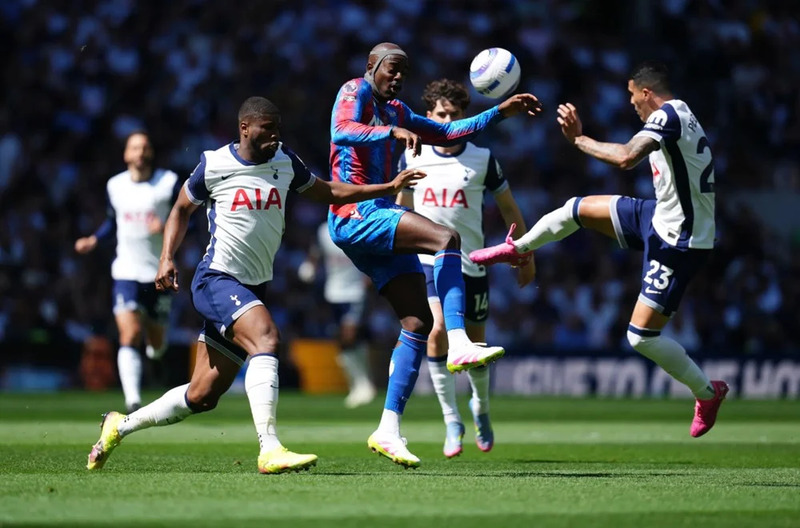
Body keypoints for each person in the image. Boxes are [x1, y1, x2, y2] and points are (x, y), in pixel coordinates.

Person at [86, 96, 425, 474]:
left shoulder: (285, 161)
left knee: (202, 394)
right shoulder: (214, 164)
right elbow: (181, 208)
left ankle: (120, 425)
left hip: (252, 287)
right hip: (217, 278)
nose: (275, 134)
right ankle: (270, 448)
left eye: (278, 127)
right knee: (266, 338)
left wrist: (387, 187)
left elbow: (329, 192)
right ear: (245, 127)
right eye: (268, 127)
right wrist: (167, 256)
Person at [470, 61, 729, 437]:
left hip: (681, 241)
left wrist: (579, 140)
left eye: (631, 96)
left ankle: (707, 392)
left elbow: (626, 157)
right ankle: (519, 248)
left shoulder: (668, 115)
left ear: (646, 93)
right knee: (577, 209)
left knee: (640, 337)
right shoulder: (683, 115)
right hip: (659, 217)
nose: (630, 104)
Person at [329, 42, 542, 468]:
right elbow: (342, 131)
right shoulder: (355, 91)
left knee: (418, 323)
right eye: (391, 69)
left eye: (404, 71)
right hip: (356, 211)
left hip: (378, 216)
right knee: (446, 239)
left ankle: (388, 428)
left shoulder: (400, 111)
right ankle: (460, 342)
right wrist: (390, 133)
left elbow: (446, 133)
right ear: (371, 66)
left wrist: (500, 112)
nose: (398, 77)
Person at [396, 79, 535, 458]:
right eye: (441, 114)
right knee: (437, 329)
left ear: (464, 117)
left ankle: (481, 408)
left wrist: (526, 252)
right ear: (429, 117)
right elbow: (400, 208)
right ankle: (451, 419)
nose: (448, 120)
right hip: (425, 260)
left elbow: (509, 208)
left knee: (475, 345)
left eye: (455, 114)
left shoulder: (483, 158)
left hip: (471, 264)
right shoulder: (412, 155)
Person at [74, 131, 180, 413]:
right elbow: (112, 221)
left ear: (151, 152)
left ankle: (155, 356)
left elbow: (187, 219)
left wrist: (167, 226)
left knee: (155, 340)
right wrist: (94, 239)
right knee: (129, 333)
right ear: (126, 154)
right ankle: (132, 400)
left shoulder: (167, 183)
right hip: (126, 272)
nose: (140, 152)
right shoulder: (116, 186)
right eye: (135, 147)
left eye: (145, 147)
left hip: (158, 273)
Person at [298, 222, 377, 408]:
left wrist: (370, 276)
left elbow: (371, 254)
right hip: (333, 291)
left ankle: (364, 384)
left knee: (348, 334)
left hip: (356, 290)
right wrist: (309, 266)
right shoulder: (323, 230)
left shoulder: (359, 226)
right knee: (344, 340)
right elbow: (315, 252)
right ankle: (358, 384)